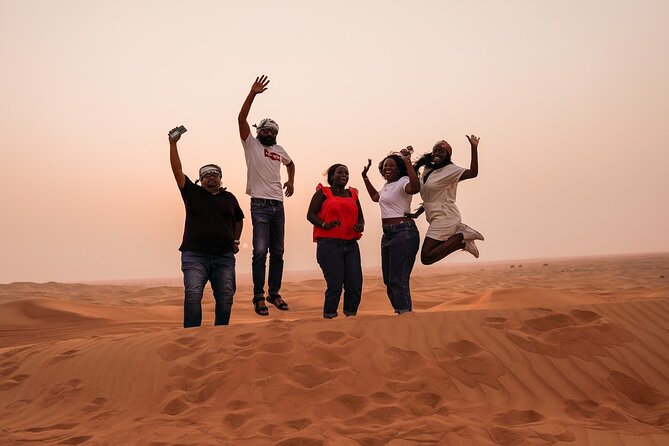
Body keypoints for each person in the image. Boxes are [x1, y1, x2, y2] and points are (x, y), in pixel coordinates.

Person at [168, 127, 244, 328]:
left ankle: (221, 334)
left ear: (221, 178)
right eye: (206, 175)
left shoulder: (229, 198)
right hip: (195, 255)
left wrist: (236, 240)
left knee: (226, 296)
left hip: (224, 256)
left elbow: (239, 219)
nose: (211, 177)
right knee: (193, 295)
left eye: (215, 174)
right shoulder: (192, 193)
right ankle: (192, 337)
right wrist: (173, 144)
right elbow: (177, 171)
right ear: (200, 180)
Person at [238, 75, 296, 317]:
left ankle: (274, 292)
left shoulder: (279, 150)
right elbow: (241, 119)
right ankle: (258, 296)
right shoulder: (251, 145)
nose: (269, 133)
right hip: (259, 205)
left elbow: (291, 164)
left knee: (278, 252)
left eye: (273, 130)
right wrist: (252, 94)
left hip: (278, 205)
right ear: (258, 131)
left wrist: (291, 180)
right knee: (260, 251)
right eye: (265, 129)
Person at [361, 147, 421, 314]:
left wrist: (408, 161)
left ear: (399, 168)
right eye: (385, 166)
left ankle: (405, 315)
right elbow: (375, 197)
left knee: (398, 279)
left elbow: (415, 188)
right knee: (389, 280)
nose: (387, 168)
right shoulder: (388, 186)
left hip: (404, 233)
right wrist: (365, 177)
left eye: (392, 166)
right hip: (388, 235)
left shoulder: (403, 182)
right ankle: (402, 311)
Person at [408, 135, 483, 265]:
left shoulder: (451, 170)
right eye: (435, 150)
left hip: (446, 216)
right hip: (435, 216)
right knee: (428, 257)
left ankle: (462, 237)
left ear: (448, 155)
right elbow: (429, 198)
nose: (437, 153)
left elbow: (473, 173)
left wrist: (473, 148)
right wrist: (417, 214)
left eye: (441, 151)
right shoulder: (428, 170)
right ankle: (462, 243)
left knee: (426, 256)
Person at [307, 164, 365, 318]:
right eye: (340, 172)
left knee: (355, 284)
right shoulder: (323, 193)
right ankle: (330, 317)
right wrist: (325, 224)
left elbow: (360, 216)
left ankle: (350, 316)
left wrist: (360, 226)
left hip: (351, 244)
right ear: (332, 176)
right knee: (335, 285)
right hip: (329, 244)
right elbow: (311, 215)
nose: (344, 175)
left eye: (347, 172)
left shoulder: (352, 194)